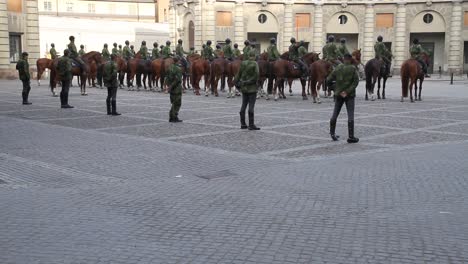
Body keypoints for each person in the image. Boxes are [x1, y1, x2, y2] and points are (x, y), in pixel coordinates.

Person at [327, 53, 359, 143]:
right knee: (350, 115)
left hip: (338, 94)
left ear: (343, 59)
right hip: (349, 95)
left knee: (335, 114)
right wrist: (347, 91)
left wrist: (334, 89)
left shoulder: (338, 67)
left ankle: (332, 134)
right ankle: (351, 137)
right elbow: (356, 82)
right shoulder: (353, 68)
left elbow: (328, 80)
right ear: (350, 59)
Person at [235, 50, 260, 131]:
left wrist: (237, 84)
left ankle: (242, 124)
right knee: (251, 107)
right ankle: (251, 125)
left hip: (243, 88)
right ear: (254, 56)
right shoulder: (254, 63)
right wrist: (249, 82)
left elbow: (238, 75)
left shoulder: (243, 63)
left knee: (243, 105)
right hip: (252, 88)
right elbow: (256, 75)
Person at [165, 56, 183, 122]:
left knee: (173, 102)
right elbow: (178, 80)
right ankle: (173, 117)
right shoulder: (178, 69)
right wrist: (171, 86)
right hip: (176, 88)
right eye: (179, 60)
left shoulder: (169, 67)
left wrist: (168, 86)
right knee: (177, 103)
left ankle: (172, 116)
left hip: (171, 88)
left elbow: (166, 77)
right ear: (178, 61)